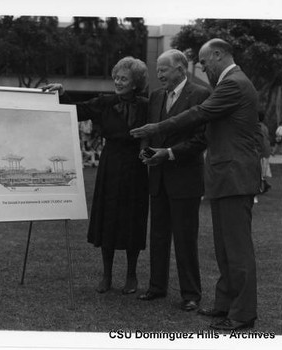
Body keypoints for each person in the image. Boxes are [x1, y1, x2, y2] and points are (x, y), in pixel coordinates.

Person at [130, 39, 260, 331]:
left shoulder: (234, 84)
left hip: (234, 176)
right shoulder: (232, 83)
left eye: (204, 62)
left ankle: (242, 314)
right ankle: (225, 304)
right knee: (225, 248)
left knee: (237, 250)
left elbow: (198, 114)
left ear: (218, 54)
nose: (202, 68)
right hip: (225, 176)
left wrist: (158, 128)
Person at [43, 56, 149, 295]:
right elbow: (76, 111)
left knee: (134, 218)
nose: (118, 82)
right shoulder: (104, 102)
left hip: (136, 166)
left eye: (124, 78)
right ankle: (107, 275)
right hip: (110, 164)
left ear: (136, 83)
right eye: (116, 77)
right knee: (108, 218)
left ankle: (131, 275)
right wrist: (62, 93)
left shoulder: (147, 105)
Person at [137, 49, 210, 312]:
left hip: (185, 179)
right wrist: (145, 149)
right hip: (157, 179)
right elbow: (150, 131)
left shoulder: (201, 94)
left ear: (181, 69)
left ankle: (191, 294)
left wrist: (167, 154)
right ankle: (157, 287)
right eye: (157, 70)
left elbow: (201, 139)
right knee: (158, 236)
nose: (159, 74)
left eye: (164, 69)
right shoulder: (156, 96)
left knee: (185, 239)